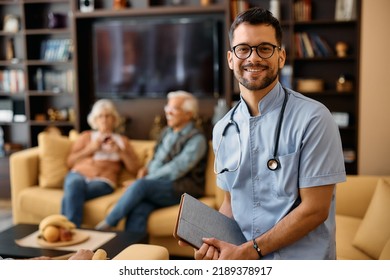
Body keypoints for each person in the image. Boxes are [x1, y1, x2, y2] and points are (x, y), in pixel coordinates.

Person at [192, 7, 346, 260]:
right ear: (231, 59)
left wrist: (249, 251)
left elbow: (315, 210)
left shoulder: (314, 118)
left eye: (265, 48)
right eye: (243, 48)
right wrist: (212, 240)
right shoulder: (222, 129)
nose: (253, 58)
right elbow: (230, 203)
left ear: (281, 57)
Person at [95, 90, 208, 234]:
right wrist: (146, 169)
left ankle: (108, 224)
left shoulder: (197, 139)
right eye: (168, 107)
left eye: (175, 109)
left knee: (141, 186)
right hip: (159, 185)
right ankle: (135, 252)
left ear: (189, 114)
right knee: (140, 207)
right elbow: (156, 158)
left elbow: (176, 169)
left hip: (183, 187)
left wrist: (143, 182)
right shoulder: (167, 132)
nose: (168, 112)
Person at [61, 99, 140, 227]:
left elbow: (135, 169)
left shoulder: (122, 141)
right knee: (74, 184)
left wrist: (120, 152)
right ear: (94, 120)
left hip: (103, 181)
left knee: (72, 192)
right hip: (78, 175)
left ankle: (67, 230)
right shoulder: (86, 137)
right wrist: (90, 149)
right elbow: (70, 162)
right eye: (100, 116)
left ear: (114, 119)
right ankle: (71, 230)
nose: (104, 119)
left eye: (108, 116)